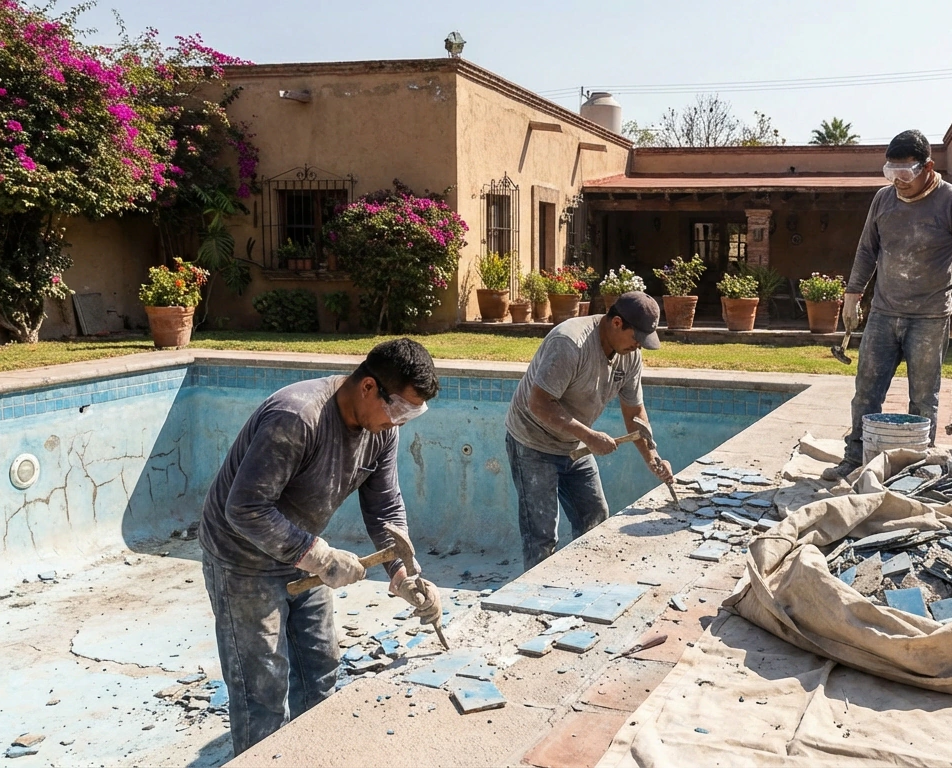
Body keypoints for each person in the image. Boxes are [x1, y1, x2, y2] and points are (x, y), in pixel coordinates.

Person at [198, 338, 444, 755]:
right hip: (243, 559)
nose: (400, 422)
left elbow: (384, 506)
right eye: (400, 409)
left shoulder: (381, 430)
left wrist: (403, 573)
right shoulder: (297, 417)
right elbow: (244, 509)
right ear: (368, 387)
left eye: (411, 414)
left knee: (321, 669)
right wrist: (320, 557)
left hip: (301, 555)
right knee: (262, 691)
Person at [823, 129, 952, 481]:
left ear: (927, 167)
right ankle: (855, 458)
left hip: (930, 317)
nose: (898, 180)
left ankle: (918, 466)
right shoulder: (883, 200)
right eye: (891, 172)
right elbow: (867, 250)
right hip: (884, 313)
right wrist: (852, 295)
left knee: (923, 399)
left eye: (905, 172)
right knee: (866, 392)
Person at [505, 290, 675, 570]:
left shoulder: (630, 355)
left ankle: (585, 583)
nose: (639, 346)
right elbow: (539, 404)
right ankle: (538, 594)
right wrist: (588, 436)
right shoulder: (570, 343)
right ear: (617, 323)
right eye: (637, 338)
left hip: (574, 444)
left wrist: (653, 459)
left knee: (595, 519)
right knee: (541, 535)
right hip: (532, 442)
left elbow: (635, 414)